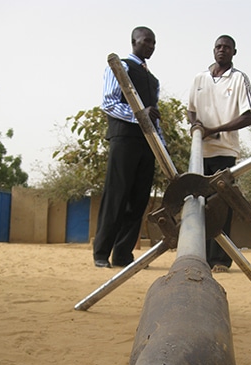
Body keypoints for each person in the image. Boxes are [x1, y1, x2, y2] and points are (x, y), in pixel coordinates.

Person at [93, 26, 163, 269]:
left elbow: (154, 116)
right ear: (134, 41)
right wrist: (139, 115)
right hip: (124, 139)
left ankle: (123, 255)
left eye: (154, 43)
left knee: (139, 199)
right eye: (146, 41)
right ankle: (101, 253)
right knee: (116, 195)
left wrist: (160, 147)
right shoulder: (119, 67)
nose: (151, 46)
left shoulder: (153, 80)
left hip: (147, 144)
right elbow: (109, 103)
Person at [188, 34, 251, 273]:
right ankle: (200, 257)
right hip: (199, 153)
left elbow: (249, 116)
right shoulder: (200, 78)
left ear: (233, 53)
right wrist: (197, 127)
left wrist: (214, 130)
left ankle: (220, 260)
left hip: (224, 152)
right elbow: (191, 112)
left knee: (221, 206)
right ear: (213, 50)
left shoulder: (239, 79)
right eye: (218, 46)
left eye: (227, 47)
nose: (222, 50)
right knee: (198, 205)